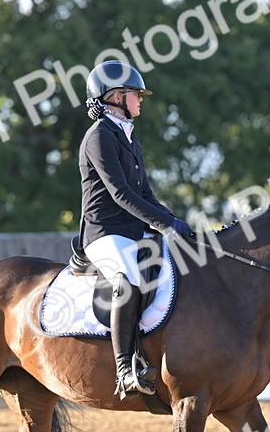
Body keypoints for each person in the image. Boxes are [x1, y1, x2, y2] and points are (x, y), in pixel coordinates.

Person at [79, 60, 193, 399]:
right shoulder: (99, 137)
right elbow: (120, 193)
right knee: (129, 275)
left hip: (131, 229)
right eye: (135, 95)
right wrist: (163, 224)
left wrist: (174, 221)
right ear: (116, 97)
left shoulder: (129, 137)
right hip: (105, 231)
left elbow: (144, 193)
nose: (140, 100)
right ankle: (124, 368)